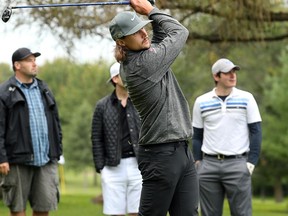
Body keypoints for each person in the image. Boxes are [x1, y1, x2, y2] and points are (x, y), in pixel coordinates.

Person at [108, 0, 199, 215]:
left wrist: (151, 11)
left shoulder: (145, 56)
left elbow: (158, 39)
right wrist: (150, 11)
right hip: (161, 156)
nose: (143, 33)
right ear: (121, 42)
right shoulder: (141, 66)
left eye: (143, 28)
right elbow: (179, 32)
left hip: (181, 151)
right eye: (136, 32)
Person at [192, 58, 262, 216]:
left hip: (238, 165)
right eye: (227, 73)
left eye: (234, 72)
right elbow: (196, 136)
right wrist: (198, 162)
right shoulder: (201, 102)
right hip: (208, 166)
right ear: (216, 77)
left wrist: (251, 163)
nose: (233, 76)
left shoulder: (247, 98)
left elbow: (256, 132)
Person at [0, 47, 63, 216]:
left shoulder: (44, 89)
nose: (34, 63)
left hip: (46, 159)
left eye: (35, 60)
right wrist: (2, 158)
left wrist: (57, 150)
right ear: (17, 65)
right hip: (17, 160)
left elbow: (56, 122)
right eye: (29, 60)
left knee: (43, 209)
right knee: (18, 210)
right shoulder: (4, 92)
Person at [91, 62, 142, 216]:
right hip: (112, 167)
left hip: (139, 166)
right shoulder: (102, 106)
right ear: (115, 79)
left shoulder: (141, 103)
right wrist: (101, 166)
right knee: (115, 213)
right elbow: (96, 137)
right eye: (124, 74)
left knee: (138, 212)